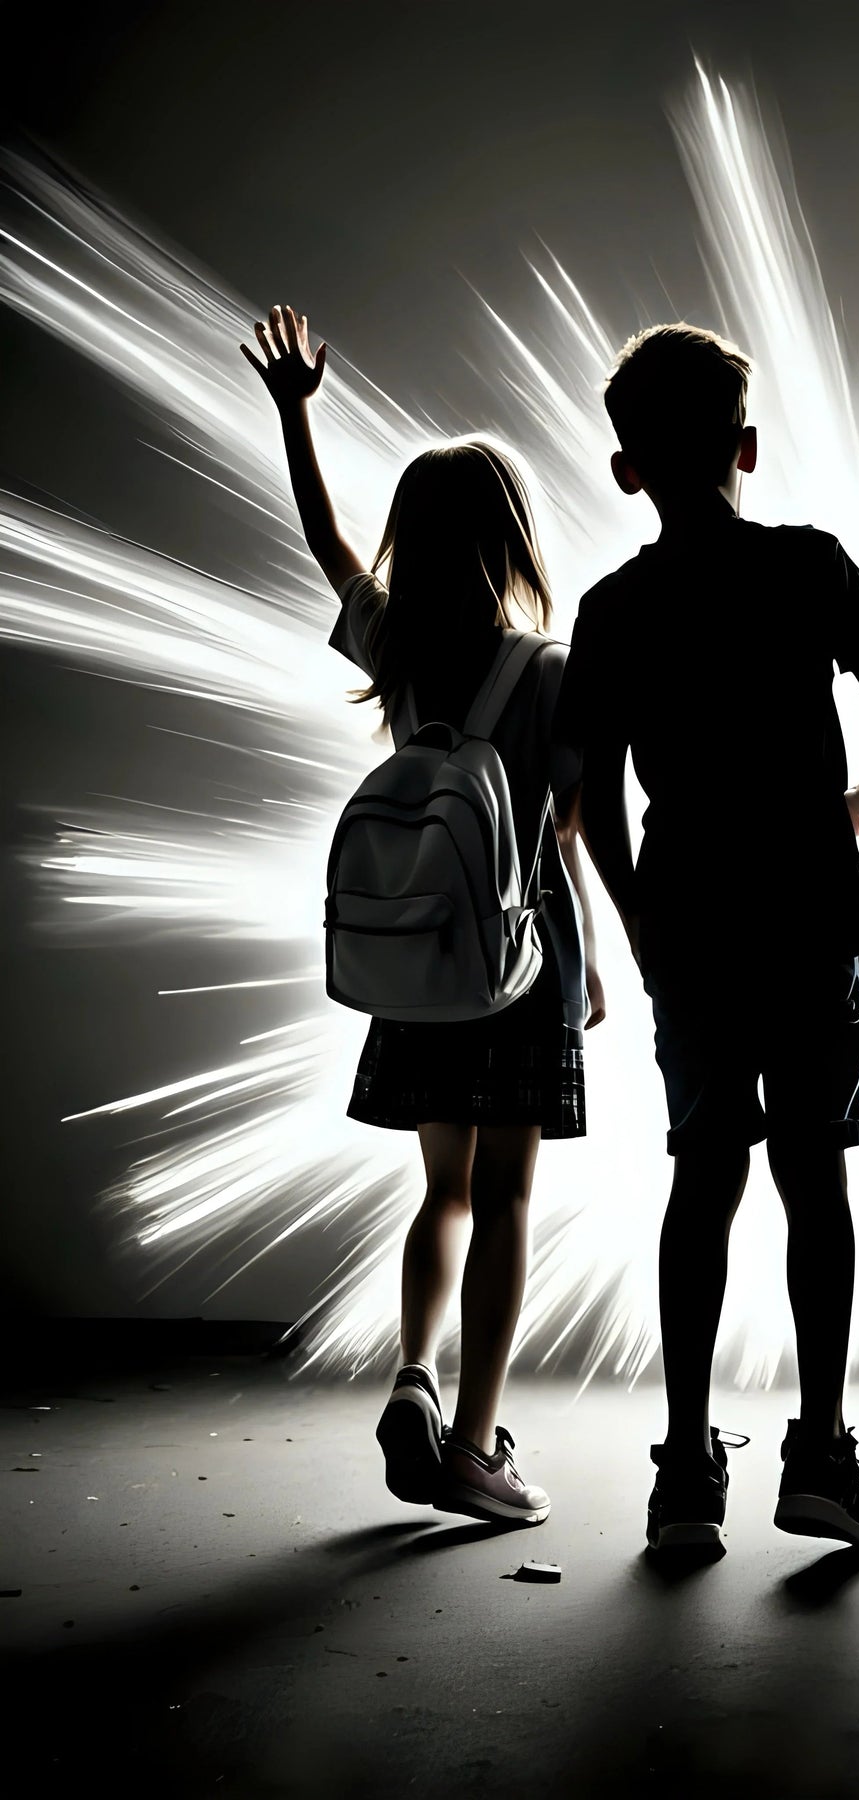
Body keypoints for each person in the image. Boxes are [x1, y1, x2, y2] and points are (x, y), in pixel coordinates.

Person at [554, 323, 859, 1555]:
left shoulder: (611, 609)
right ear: (746, 445)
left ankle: (684, 1469)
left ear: (627, 470)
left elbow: (589, 791)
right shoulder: (810, 565)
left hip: (691, 917)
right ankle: (818, 1451)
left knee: (702, 1178)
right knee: (813, 1173)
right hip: (812, 905)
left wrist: (633, 907)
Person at [242, 305, 605, 1526]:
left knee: (441, 1190)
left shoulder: (397, 648)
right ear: (512, 538)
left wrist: (297, 414)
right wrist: (598, 961)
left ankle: (413, 1378)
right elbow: (569, 836)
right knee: (506, 1198)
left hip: (422, 957)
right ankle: (477, 1441)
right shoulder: (545, 671)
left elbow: (325, 546)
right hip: (514, 959)